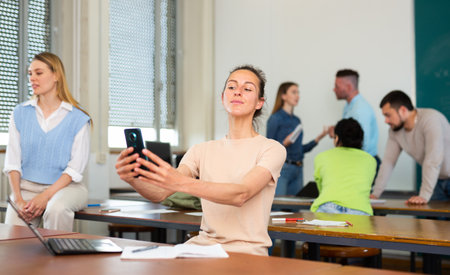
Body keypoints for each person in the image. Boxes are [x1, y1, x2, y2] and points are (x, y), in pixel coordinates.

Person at [115, 65, 286, 256]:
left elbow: (241, 194)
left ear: (259, 103)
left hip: (246, 251)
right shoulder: (200, 150)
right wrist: (132, 179)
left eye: (247, 89)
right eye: (231, 87)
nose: (238, 91)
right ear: (223, 98)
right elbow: (160, 193)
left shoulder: (272, 149)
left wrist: (179, 182)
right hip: (202, 248)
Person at [3, 52, 92, 231]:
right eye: (30, 74)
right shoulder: (19, 113)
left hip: (66, 189)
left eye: (39, 73)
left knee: (56, 209)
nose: (32, 78)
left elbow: (75, 169)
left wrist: (45, 197)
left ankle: (60, 254)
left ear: (56, 75)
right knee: (12, 236)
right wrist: (19, 200)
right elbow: (12, 163)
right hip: (26, 189)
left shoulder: (79, 118)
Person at [371, 90, 450, 204]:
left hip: (438, 175)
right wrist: (375, 194)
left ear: (403, 110)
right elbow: (388, 162)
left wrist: (423, 196)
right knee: (433, 220)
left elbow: (433, 159)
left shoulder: (431, 119)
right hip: (437, 180)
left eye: (388, 115)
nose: (386, 121)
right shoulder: (395, 131)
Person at [266, 82, 327, 196]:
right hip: (283, 169)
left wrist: (318, 139)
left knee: (296, 208)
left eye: (298, 93)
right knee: (279, 206)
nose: (297, 96)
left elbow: (299, 149)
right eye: (294, 92)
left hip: (298, 169)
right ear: (283, 96)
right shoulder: (275, 118)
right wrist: (284, 143)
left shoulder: (296, 121)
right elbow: (268, 147)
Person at [311, 118, 376, 215]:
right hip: (360, 210)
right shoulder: (371, 160)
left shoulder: (321, 157)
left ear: (337, 138)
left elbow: (321, 188)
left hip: (328, 208)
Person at [330, 69, 380, 171]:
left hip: (363, 163)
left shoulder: (359, 110)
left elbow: (361, 142)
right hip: (359, 161)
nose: (334, 89)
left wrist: (336, 136)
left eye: (337, 86)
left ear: (348, 87)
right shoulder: (349, 106)